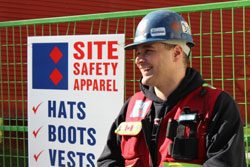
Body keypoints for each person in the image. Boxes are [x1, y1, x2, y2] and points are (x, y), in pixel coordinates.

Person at [97, 10, 246, 167]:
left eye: (148, 50)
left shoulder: (216, 105)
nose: (138, 60)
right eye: (137, 53)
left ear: (176, 53)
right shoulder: (132, 105)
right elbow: (107, 161)